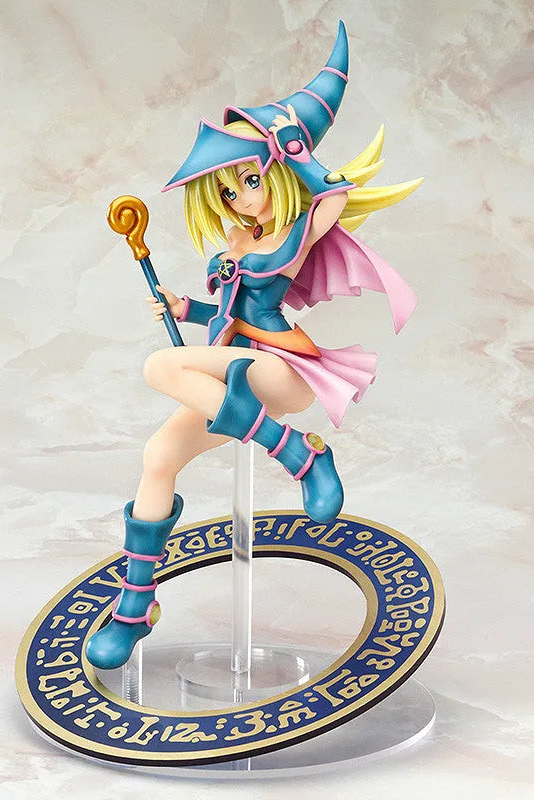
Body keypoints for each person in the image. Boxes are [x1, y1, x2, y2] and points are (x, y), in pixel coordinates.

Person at [86, 21, 420, 670]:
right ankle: (136, 607)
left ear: (280, 173)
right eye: (227, 189)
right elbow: (228, 314)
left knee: (160, 365)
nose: (239, 198)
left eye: (251, 180)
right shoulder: (234, 245)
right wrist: (185, 308)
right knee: (158, 456)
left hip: (280, 370)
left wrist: (291, 146)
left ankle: (300, 454)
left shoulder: (297, 232)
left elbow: (335, 192)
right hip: (233, 372)